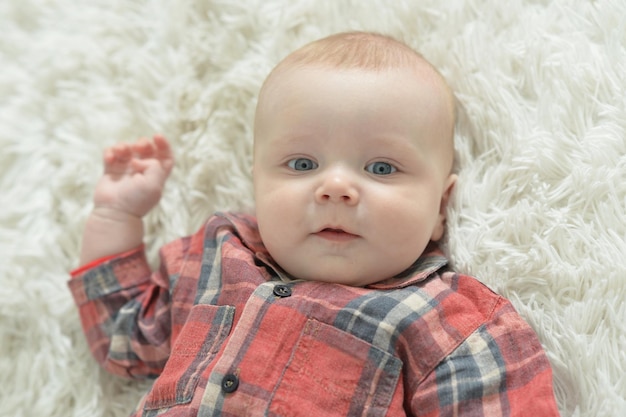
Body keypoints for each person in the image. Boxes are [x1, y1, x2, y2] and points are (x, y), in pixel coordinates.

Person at [69, 32, 560, 416]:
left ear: (439, 208)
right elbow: (122, 340)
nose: (335, 188)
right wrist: (116, 214)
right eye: (302, 165)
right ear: (256, 183)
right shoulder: (219, 255)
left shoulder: (450, 322)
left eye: (381, 168)